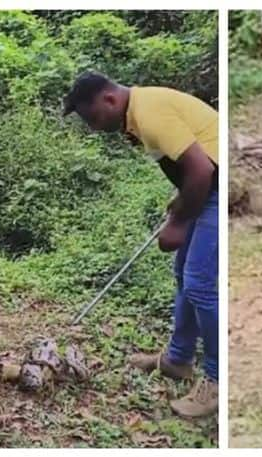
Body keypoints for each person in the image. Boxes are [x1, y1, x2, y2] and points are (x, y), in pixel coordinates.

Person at [63, 71, 219, 417]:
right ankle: (178, 360)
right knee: (184, 276)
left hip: (217, 187)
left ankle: (216, 380)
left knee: (201, 284)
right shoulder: (137, 116)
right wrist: (180, 204)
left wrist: (179, 222)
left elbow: (202, 170)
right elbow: (188, 168)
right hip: (205, 189)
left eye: (91, 118)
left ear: (109, 100)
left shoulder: (149, 113)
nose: (92, 127)